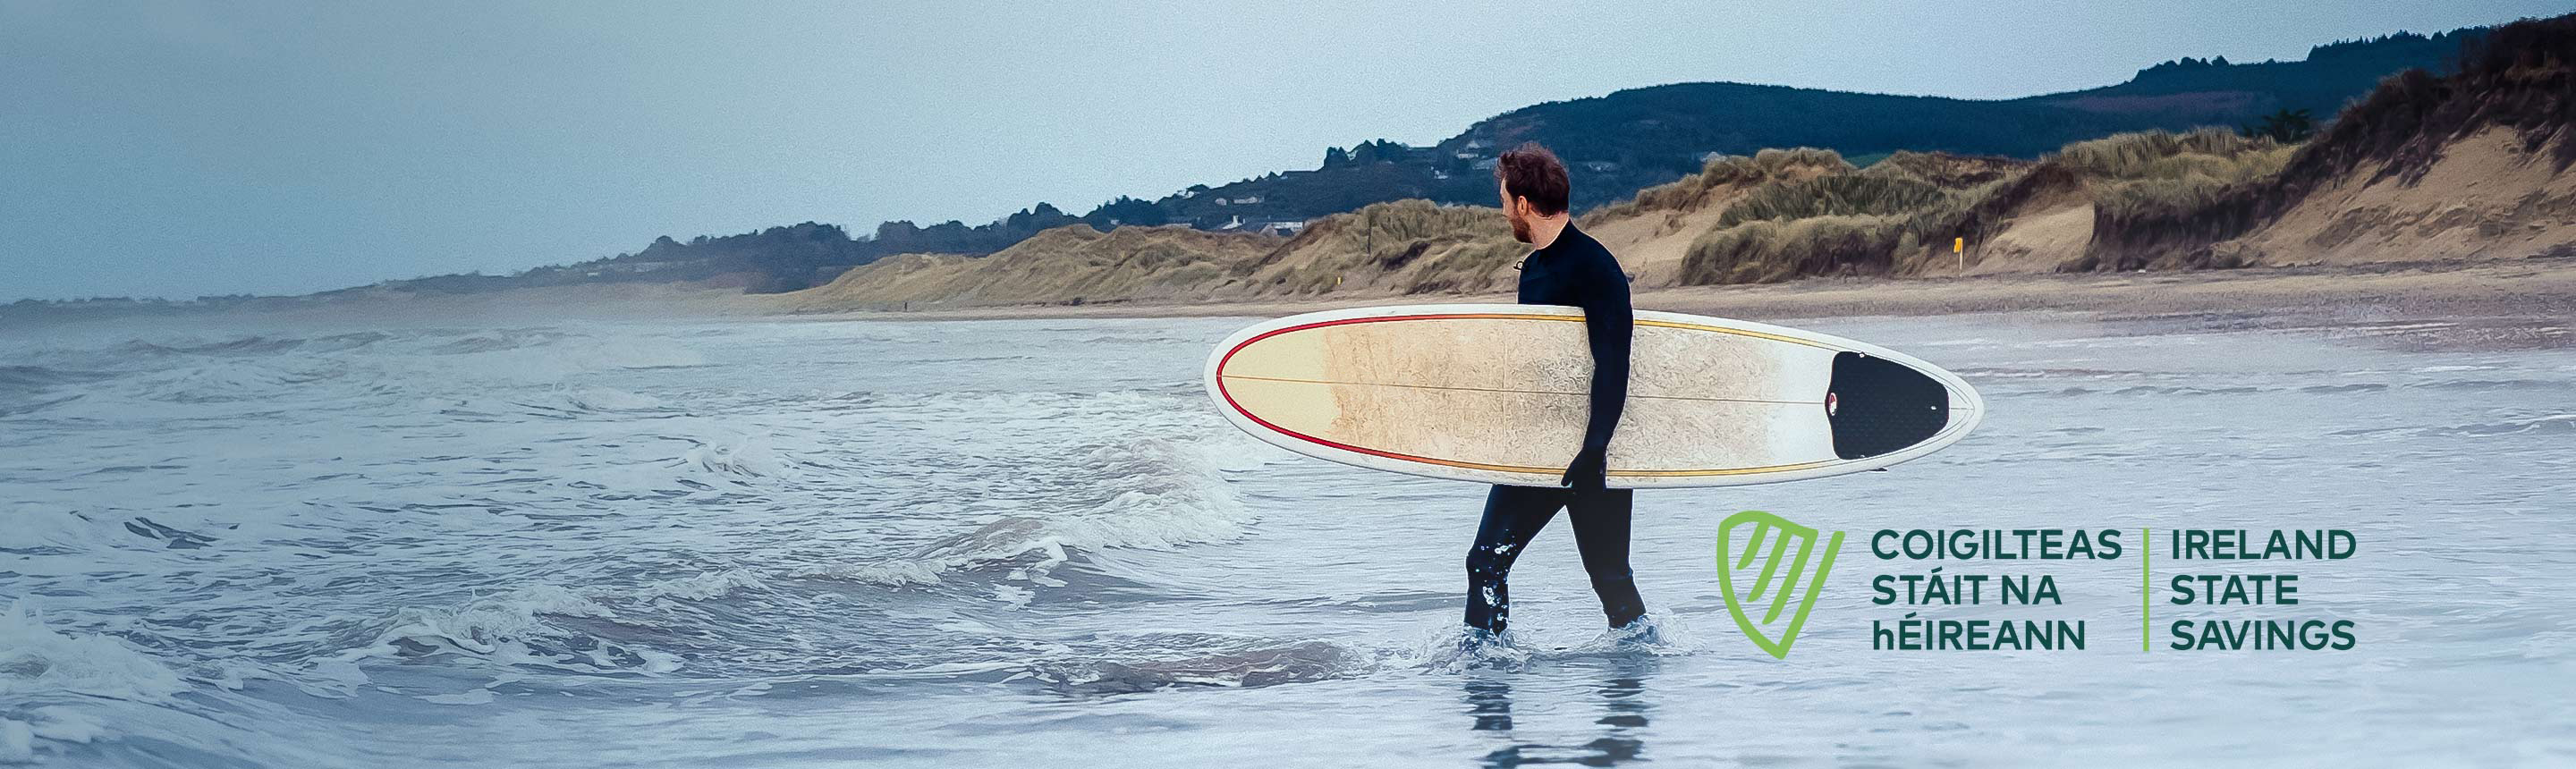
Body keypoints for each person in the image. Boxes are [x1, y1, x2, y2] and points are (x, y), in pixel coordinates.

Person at [1462, 142, 1646, 638]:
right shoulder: (1537, 269)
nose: (1503, 214)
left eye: (1504, 201)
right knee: (1485, 563)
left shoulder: (1595, 267)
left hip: (1589, 452)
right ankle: (1486, 670)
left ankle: (1633, 686)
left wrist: (1595, 449)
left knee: (1609, 579)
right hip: (1540, 447)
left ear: (1523, 204)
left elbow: (1613, 361)